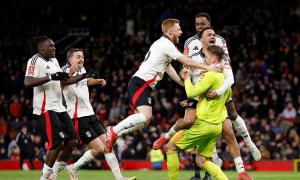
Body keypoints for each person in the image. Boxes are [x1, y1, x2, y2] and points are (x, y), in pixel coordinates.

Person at [154, 13, 260, 179]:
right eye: (199, 26)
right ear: (200, 38)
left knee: (227, 130)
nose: (210, 34)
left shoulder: (219, 57)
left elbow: (229, 78)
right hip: (200, 98)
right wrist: (188, 82)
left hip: (212, 98)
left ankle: (243, 161)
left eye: (209, 30)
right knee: (195, 135)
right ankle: (167, 137)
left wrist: (214, 91)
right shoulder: (194, 55)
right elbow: (187, 72)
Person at [106, 18, 222, 152]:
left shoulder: (161, 44)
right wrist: (208, 67)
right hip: (141, 82)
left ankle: (116, 134)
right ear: (170, 31)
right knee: (145, 116)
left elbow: (168, 67)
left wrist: (183, 83)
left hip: (141, 83)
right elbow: (185, 60)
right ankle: (113, 130)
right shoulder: (166, 44)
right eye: (179, 29)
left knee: (144, 121)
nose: (181, 32)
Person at [55, 48, 135, 180]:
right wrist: (71, 71)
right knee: (98, 149)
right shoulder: (63, 71)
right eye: (78, 57)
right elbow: (61, 84)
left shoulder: (82, 69)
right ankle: (73, 167)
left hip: (91, 114)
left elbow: (85, 81)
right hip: (78, 117)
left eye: (82, 56)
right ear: (70, 59)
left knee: (108, 145)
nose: (81, 59)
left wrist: (96, 81)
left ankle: (119, 178)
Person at [24, 36, 88, 180]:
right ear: (41, 48)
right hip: (46, 108)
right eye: (51, 46)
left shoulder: (54, 60)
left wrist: (83, 76)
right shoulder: (35, 60)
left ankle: (54, 172)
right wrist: (50, 77)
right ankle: (45, 177)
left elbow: (63, 79)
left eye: (54, 46)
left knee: (72, 142)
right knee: (57, 144)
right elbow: (27, 81)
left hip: (60, 107)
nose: (54, 48)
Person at [166, 45, 229, 180]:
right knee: (201, 160)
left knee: (170, 147)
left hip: (203, 124)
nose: (203, 59)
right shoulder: (224, 79)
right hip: (216, 126)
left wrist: (187, 78)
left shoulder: (211, 75)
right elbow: (213, 99)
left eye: (205, 56)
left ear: (213, 59)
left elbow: (191, 92)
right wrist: (191, 103)